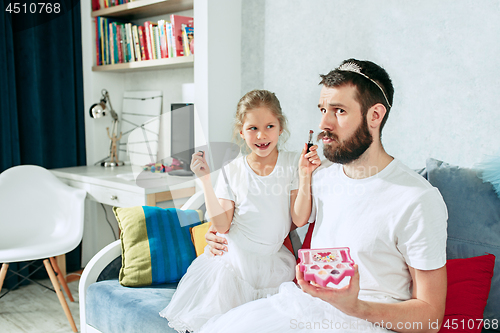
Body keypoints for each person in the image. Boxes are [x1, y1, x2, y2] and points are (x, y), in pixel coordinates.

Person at [201, 59, 448, 333]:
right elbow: (270, 212)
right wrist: (220, 230)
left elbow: (430, 318)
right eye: (322, 110)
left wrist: (355, 307)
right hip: (303, 308)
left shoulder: (417, 199)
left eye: (339, 111)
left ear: (375, 116)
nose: (323, 123)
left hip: (364, 322)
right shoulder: (322, 179)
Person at [160, 89, 321, 332]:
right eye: (252, 128)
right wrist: (205, 181)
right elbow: (223, 225)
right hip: (233, 263)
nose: (261, 135)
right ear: (241, 131)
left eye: (269, 126)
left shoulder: (292, 163)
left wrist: (305, 175)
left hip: (273, 264)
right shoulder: (233, 169)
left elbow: (298, 218)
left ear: (280, 126)